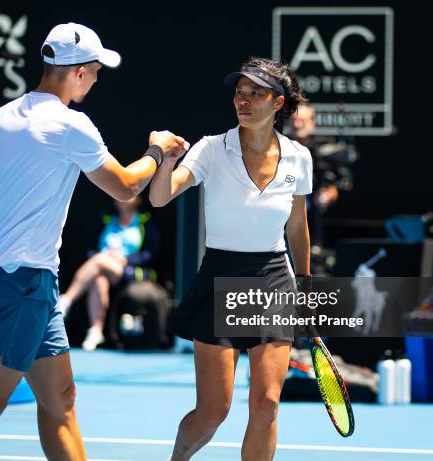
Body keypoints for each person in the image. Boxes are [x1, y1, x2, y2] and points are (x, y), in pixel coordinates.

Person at [0, 22, 188, 461]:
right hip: (22, 284)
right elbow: (127, 187)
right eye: (96, 70)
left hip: (25, 283)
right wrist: (158, 151)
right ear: (80, 72)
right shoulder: (72, 125)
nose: (97, 78)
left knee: (61, 401)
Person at [150, 57, 312, 461]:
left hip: (274, 279)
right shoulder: (210, 149)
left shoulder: (299, 158)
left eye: (256, 93)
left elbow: (297, 227)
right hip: (222, 278)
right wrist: (165, 160)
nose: (244, 100)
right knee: (212, 412)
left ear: (278, 103)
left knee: (267, 404)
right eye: (240, 92)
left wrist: (307, 287)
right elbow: (159, 196)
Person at [58, 196, 160, 351]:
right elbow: (92, 249)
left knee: (100, 261)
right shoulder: (107, 221)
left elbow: (150, 253)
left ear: (138, 200)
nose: (122, 199)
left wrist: (125, 260)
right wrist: (104, 256)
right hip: (103, 267)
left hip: (130, 271)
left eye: (128, 196)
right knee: (99, 279)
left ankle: (67, 299)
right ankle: (96, 331)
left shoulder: (145, 222)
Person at [288, 101, 354, 246]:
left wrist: (331, 192)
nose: (297, 125)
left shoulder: (327, 150)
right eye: (294, 120)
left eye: (302, 120)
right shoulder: (280, 148)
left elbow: (344, 182)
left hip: (320, 221)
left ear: (312, 123)